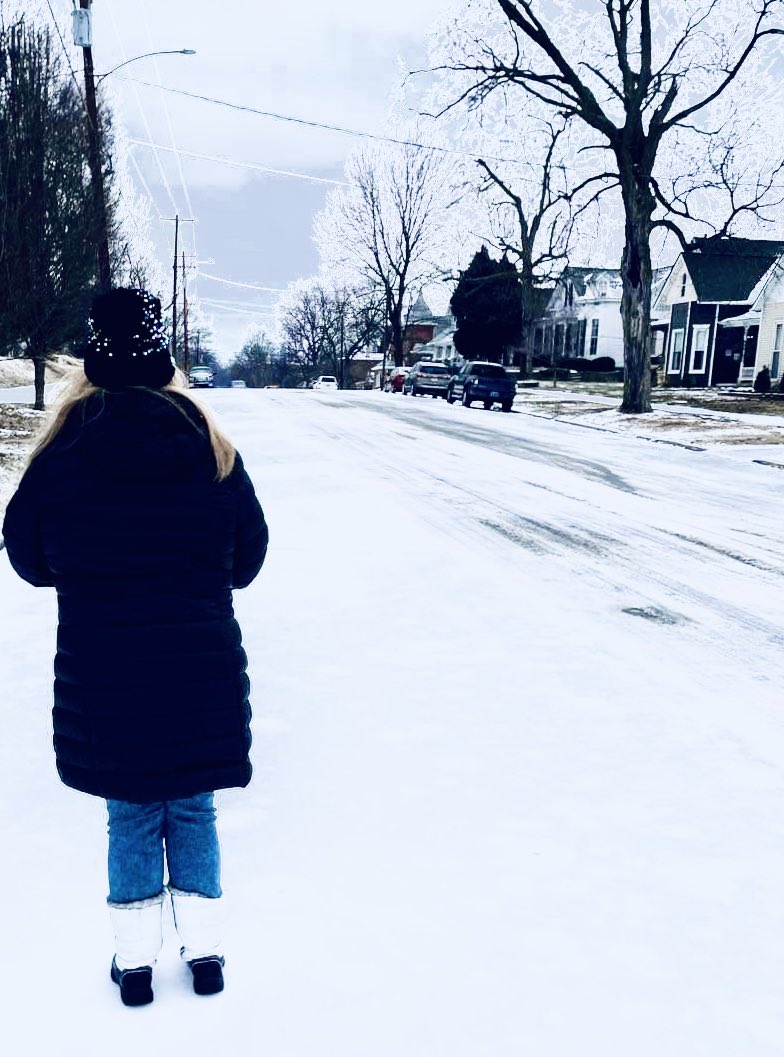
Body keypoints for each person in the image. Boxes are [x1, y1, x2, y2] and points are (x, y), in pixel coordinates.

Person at [2, 288, 268, 1007]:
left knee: (130, 812)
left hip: (105, 675)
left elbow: (26, 557)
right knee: (192, 810)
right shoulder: (205, 436)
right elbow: (247, 557)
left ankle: (135, 965)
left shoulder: (65, 447)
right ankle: (206, 954)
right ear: (161, 355)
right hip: (199, 671)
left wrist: (91, 570)